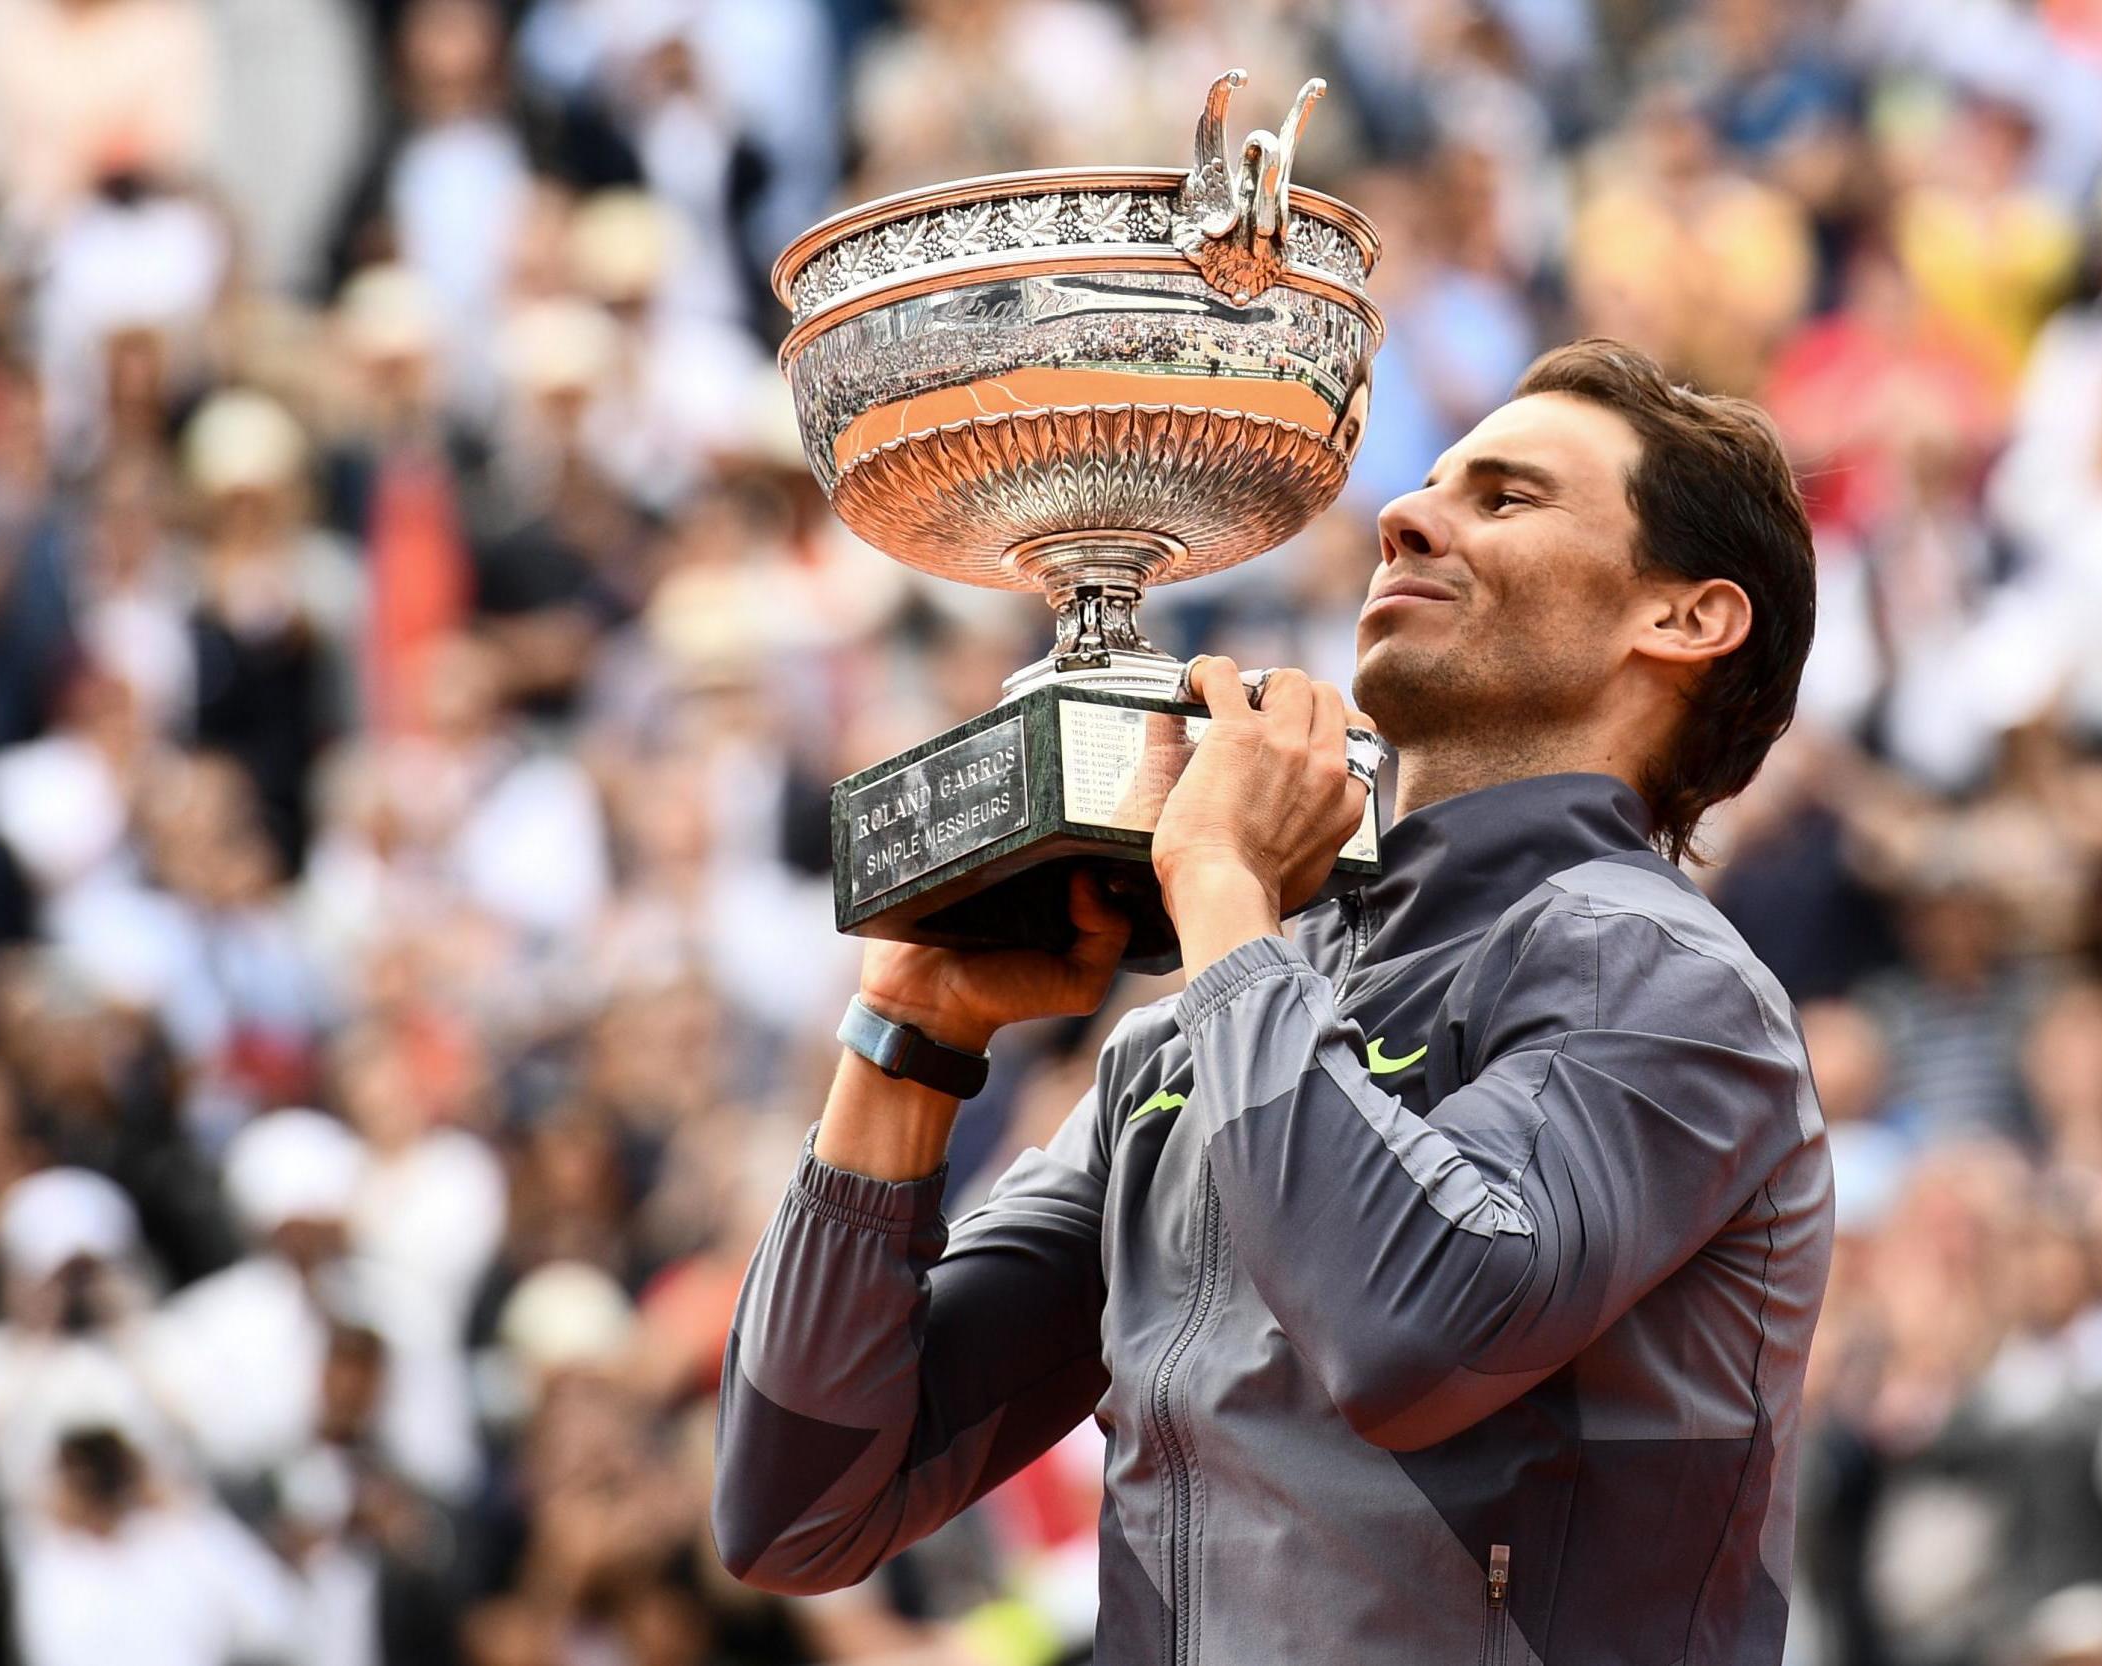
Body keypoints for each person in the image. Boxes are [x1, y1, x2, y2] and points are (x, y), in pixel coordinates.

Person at [711, 337, 1834, 1664]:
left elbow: (1407, 1329)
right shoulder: (1189, 1036)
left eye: (1506, 496)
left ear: (1685, 618)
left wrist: (1226, 892)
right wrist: (910, 1032)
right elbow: (799, 1506)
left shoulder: (1668, 981)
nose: (1404, 515)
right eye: (1427, 485)